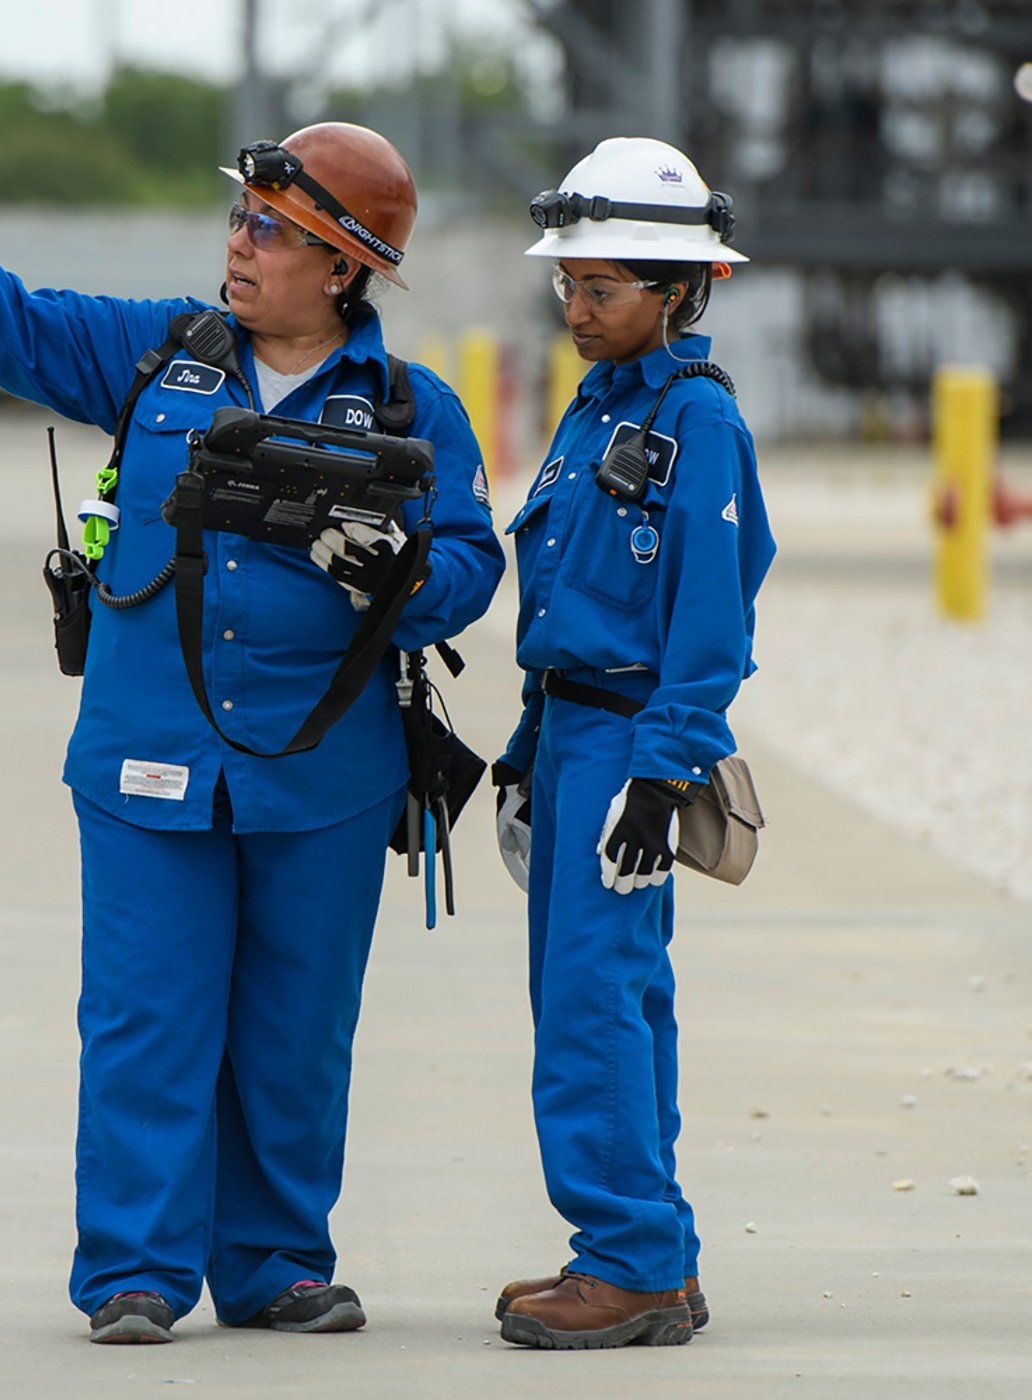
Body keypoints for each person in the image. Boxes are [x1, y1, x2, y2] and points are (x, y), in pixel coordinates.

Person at [0, 73, 503, 1345]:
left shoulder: (413, 411)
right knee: (145, 1015)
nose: (238, 244)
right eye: (239, 218)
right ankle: (134, 1269)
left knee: (295, 1033)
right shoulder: (155, 356)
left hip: (325, 782)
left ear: (344, 269)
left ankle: (277, 1265)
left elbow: (469, 564)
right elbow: (2, 319)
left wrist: (394, 578)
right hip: (147, 760)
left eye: (269, 230)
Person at [490, 137, 775, 1351]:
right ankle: (648, 1245)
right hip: (568, 738)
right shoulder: (594, 409)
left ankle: (628, 1262)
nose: (575, 307)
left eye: (602, 288)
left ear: (678, 293)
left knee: (593, 1004)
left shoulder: (696, 425)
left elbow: (708, 623)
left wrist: (659, 774)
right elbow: (567, 597)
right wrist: (518, 748)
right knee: (599, 992)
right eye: (568, 284)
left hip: (627, 748)